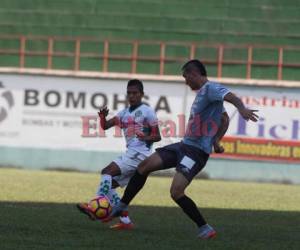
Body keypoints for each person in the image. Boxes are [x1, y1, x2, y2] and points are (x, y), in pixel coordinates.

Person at [109, 59, 258, 238]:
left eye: (186, 77)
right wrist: (217, 141)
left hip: (196, 153)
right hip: (184, 146)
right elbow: (224, 119)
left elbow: (231, 97)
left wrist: (241, 108)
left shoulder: (211, 89)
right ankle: (122, 206)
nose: (186, 81)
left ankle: (205, 228)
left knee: (176, 192)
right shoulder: (205, 94)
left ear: (194, 74)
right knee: (144, 166)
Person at [77, 79, 161, 230]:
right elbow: (105, 126)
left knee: (106, 172)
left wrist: (145, 137)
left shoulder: (147, 111)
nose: (131, 96)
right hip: (132, 154)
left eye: (135, 93)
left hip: (140, 154)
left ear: (142, 94)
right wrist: (102, 117)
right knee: (110, 184)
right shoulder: (123, 113)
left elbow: (157, 136)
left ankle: (94, 205)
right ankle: (125, 221)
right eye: (129, 93)